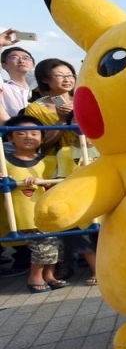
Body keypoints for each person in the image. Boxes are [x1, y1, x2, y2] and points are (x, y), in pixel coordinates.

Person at [1, 115, 62, 293]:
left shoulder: (49, 160)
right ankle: (34, 276)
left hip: (46, 210)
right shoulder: (3, 162)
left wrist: (43, 182)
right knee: (43, 245)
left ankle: (49, 275)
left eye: (34, 133)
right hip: (22, 213)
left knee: (56, 244)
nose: (28, 137)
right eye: (21, 133)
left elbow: (56, 186)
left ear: (42, 137)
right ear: (10, 137)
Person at [54, 137, 101, 285]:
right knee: (84, 239)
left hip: (102, 197)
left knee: (106, 237)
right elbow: (61, 176)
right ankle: (97, 271)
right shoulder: (65, 152)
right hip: (78, 200)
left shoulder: (106, 146)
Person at [25, 58, 79, 151]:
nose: (67, 79)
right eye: (59, 75)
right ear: (44, 79)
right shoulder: (35, 109)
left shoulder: (83, 102)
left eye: (70, 75)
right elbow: (40, 144)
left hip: (88, 158)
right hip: (55, 162)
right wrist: (61, 121)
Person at [0, 46, 35, 121]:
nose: (21, 61)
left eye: (26, 58)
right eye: (14, 57)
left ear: (33, 65)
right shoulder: (3, 87)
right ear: (3, 65)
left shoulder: (46, 88)